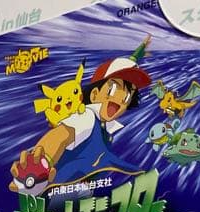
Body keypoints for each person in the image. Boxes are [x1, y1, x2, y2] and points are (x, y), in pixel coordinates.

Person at [11, 51, 151, 189]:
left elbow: (106, 160)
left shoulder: (106, 131)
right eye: (113, 90)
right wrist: (40, 164)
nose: (120, 99)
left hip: (77, 195)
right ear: (94, 94)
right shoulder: (86, 117)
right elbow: (61, 136)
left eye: (127, 97)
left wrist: (138, 172)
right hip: (52, 191)